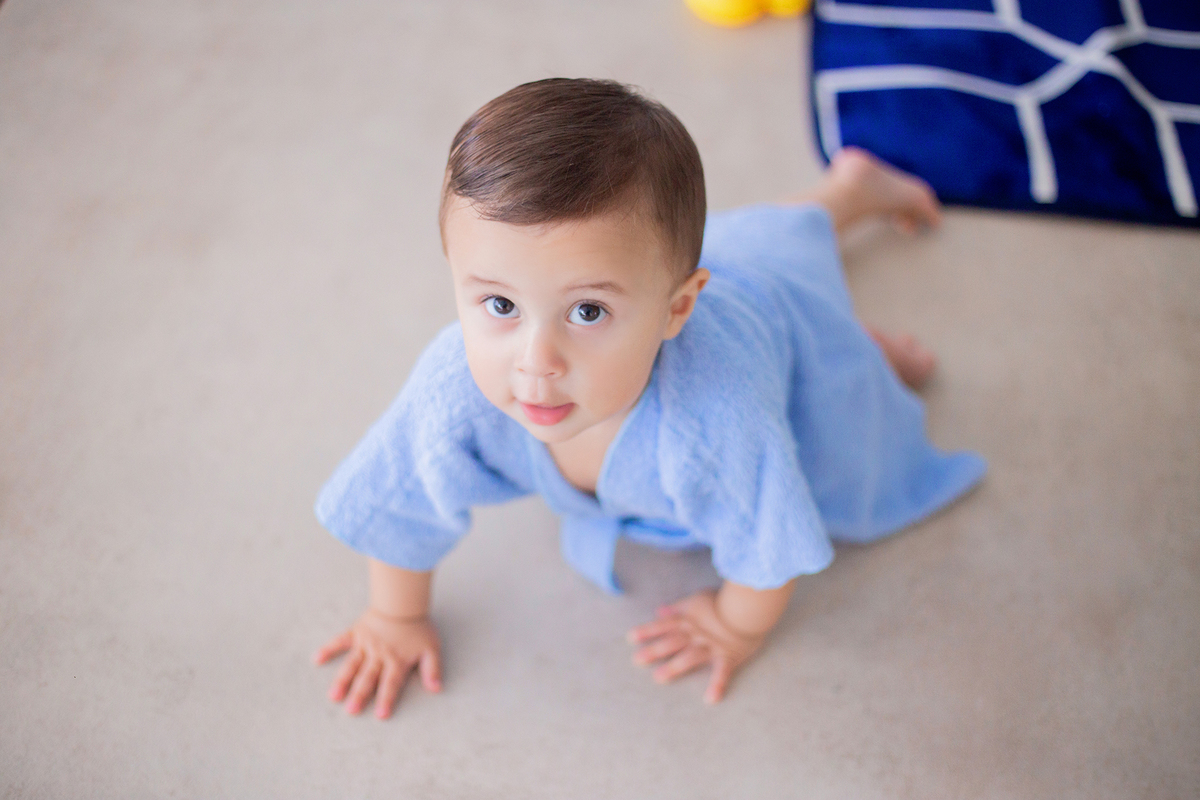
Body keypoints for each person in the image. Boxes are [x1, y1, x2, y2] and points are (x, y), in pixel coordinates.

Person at [312, 78, 985, 718]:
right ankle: (846, 194)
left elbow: (767, 538)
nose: (536, 363)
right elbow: (403, 494)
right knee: (770, 239)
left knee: (829, 346)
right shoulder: (455, 385)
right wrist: (394, 616)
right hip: (677, 278)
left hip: (771, 323)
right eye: (498, 303)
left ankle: (854, 234)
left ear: (677, 308)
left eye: (587, 314)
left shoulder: (721, 415)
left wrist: (734, 625)